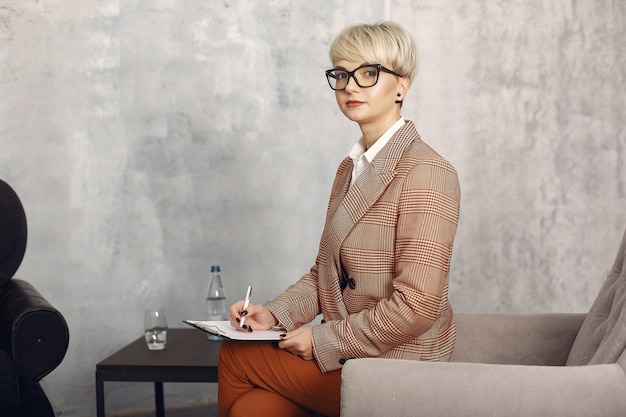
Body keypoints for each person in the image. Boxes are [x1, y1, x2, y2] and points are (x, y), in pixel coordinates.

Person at [218, 21, 461, 417]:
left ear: (402, 86)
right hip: (354, 358)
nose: (350, 86)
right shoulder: (350, 169)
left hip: (402, 367)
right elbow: (325, 275)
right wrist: (273, 314)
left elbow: (417, 306)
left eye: (368, 73)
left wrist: (323, 340)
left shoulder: (428, 172)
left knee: (235, 356)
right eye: (342, 74)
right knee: (254, 408)